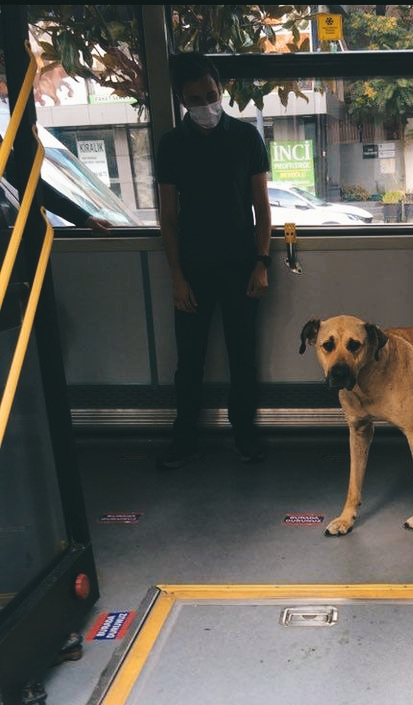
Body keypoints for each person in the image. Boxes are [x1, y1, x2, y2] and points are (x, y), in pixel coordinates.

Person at [155, 51, 272, 470]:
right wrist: (176, 277)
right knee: (189, 364)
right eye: (195, 98)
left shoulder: (246, 139)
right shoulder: (171, 145)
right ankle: (184, 440)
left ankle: (245, 436)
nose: (206, 104)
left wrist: (262, 262)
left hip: (242, 266)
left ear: (220, 90)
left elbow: (262, 207)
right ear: (181, 100)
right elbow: (168, 218)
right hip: (193, 269)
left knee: (243, 359)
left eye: (212, 94)